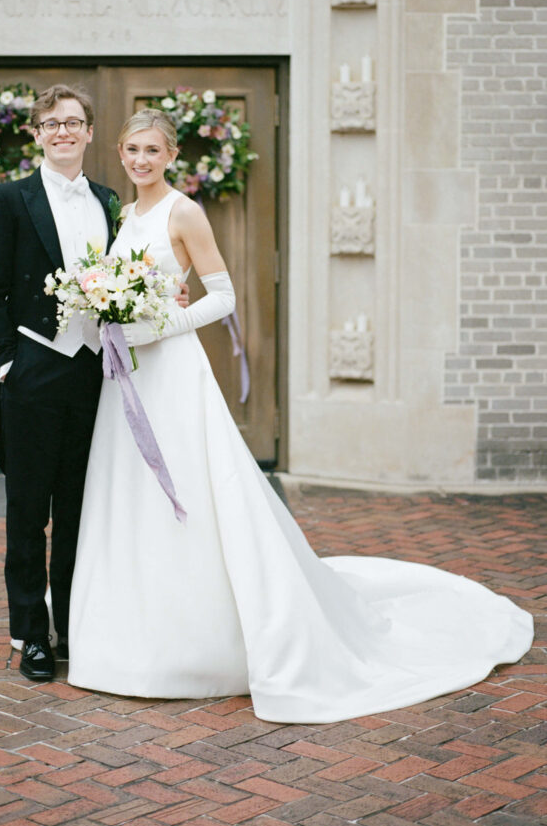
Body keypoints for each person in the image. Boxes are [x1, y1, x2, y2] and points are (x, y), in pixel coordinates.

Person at [66, 108, 534, 723]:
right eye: (132, 150)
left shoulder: (184, 212)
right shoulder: (124, 215)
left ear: (172, 155)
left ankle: (205, 642)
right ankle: (129, 635)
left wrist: (160, 326)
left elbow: (224, 298)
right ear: (121, 154)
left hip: (173, 370)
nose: (141, 160)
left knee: (194, 491)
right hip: (129, 378)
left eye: (152, 150)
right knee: (129, 493)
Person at [0, 85, 122, 682]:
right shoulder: (8, 200)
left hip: (93, 377)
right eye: (52, 123)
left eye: (74, 122)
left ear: (89, 133)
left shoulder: (110, 201)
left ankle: (75, 627)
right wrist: (9, 365)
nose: (64, 132)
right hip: (32, 372)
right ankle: (33, 635)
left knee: (82, 509)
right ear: (36, 134)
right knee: (28, 510)